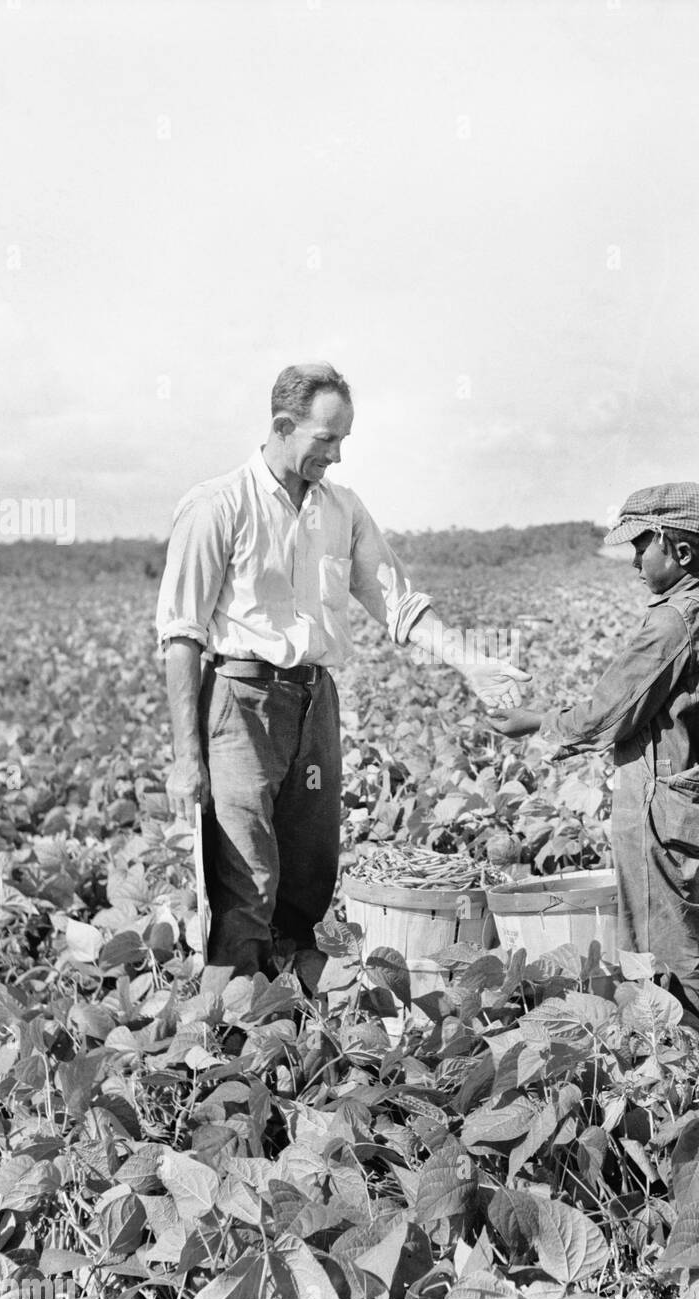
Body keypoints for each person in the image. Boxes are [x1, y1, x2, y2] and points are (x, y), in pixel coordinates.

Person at [156, 362, 529, 980]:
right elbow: (181, 638)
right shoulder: (218, 506)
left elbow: (397, 599)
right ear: (282, 426)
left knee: (308, 878)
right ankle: (230, 1043)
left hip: (313, 703)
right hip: (238, 704)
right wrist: (185, 757)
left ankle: (298, 1039)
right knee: (246, 884)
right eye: (325, 440)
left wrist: (472, 663)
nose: (335, 455)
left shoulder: (341, 509)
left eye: (343, 441)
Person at [488, 483, 699, 1039]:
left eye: (641, 547)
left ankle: (685, 1055)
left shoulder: (672, 623)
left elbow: (609, 713)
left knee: (663, 931)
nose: (634, 561)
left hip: (662, 803)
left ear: (679, 552)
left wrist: (536, 721)